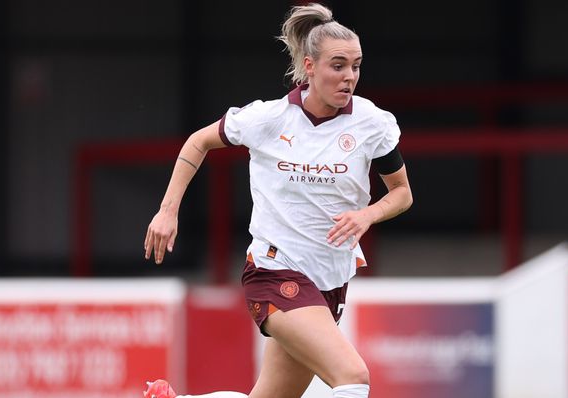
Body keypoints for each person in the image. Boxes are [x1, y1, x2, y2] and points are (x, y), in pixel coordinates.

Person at [143, 3, 412, 398]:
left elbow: (402, 193)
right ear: (309, 66)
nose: (349, 77)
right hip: (274, 271)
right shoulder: (268, 119)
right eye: (338, 66)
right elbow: (198, 141)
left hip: (330, 281)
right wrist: (168, 211)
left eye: (356, 66)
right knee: (353, 376)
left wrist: (368, 214)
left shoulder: (372, 124)